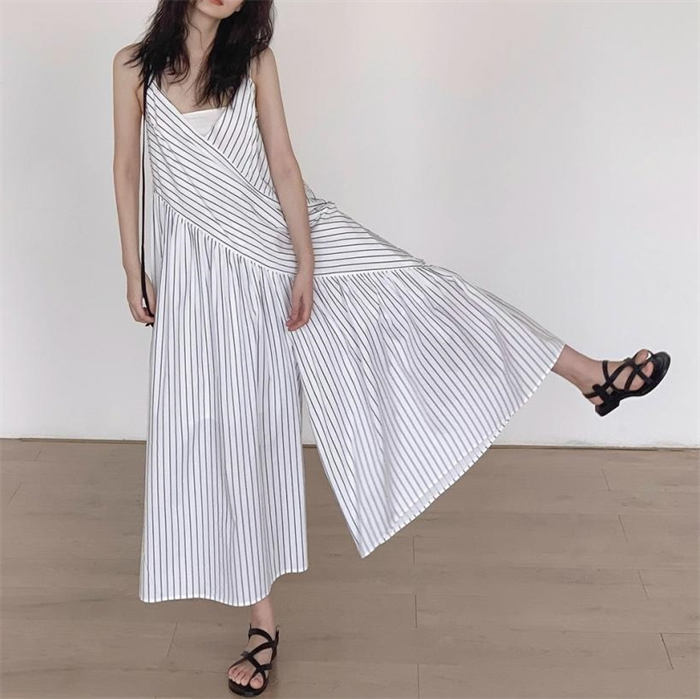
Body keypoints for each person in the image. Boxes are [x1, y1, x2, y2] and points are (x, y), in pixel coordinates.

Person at [112, 0, 671, 695]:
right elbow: (127, 169)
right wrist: (133, 268)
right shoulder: (133, 69)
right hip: (201, 276)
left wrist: (307, 260)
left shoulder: (253, 62)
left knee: (427, 290)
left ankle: (588, 374)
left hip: (285, 239)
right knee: (235, 431)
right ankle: (262, 623)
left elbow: (283, 162)